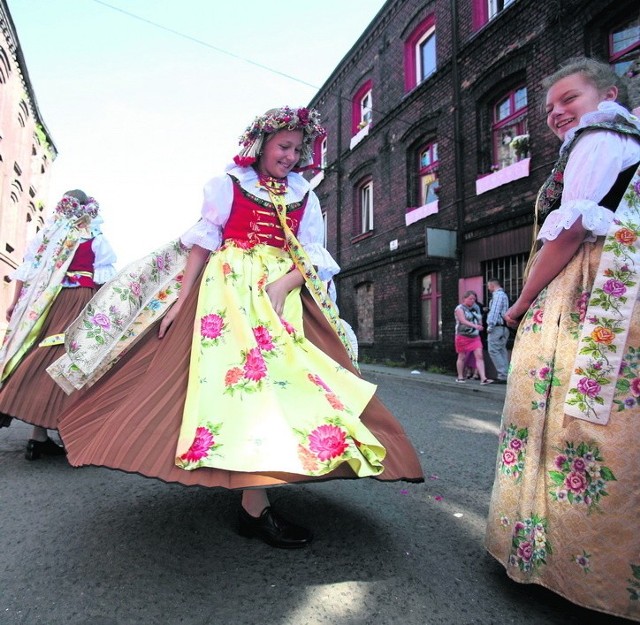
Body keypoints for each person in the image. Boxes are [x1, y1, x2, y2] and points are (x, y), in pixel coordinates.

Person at [54, 106, 424, 549]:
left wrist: (284, 285)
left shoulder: (306, 194)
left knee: (294, 387)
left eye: (297, 148)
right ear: (262, 144)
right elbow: (202, 245)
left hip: (282, 295)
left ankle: (258, 494)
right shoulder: (228, 185)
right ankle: (254, 502)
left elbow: (312, 254)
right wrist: (178, 300)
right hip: (225, 293)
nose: (290, 155)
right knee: (237, 388)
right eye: (283, 146)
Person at [485, 58, 640, 622]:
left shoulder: (598, 137)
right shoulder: (626, 138)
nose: (556, 113)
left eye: (568, 98)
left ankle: (561, 559)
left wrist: (523, 302)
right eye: (549, 107)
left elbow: (571, 229)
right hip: (621, 286)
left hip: (584, 292)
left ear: (608, 93)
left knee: (561, 416)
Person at [0, 189, 117, 459]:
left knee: (37, 355)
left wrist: (15, 303)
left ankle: (37, 436)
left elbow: (27, 270)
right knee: (72, 361)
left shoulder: (48, 237)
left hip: (45, 302)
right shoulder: (95, 240)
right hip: (79, 300)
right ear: (89, 209)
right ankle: (68, 435)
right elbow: (102, 281)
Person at [454, 290, 493, 385]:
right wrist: (475, 326)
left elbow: (479, 318)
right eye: (470, 299)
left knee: (479, 356)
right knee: (462, 356)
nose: (472, 301)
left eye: (474, 299)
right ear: (464, 299)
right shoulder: (459, 308)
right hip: (462, 335)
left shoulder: (476, 307)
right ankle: (460, 377)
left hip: (475, 336)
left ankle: (483, 378)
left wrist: (480, 324)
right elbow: (462, 321)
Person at [485, 278, 509, 383]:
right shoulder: (504, 295)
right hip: (504, 327)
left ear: (492, 285)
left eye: (488, 286)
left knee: (493, 350)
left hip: (497, 327)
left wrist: (490, 326)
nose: (488, 288)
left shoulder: (498, 295)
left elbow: (495, 311)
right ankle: (506, 374)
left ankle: (502, 375)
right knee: (502, 350)